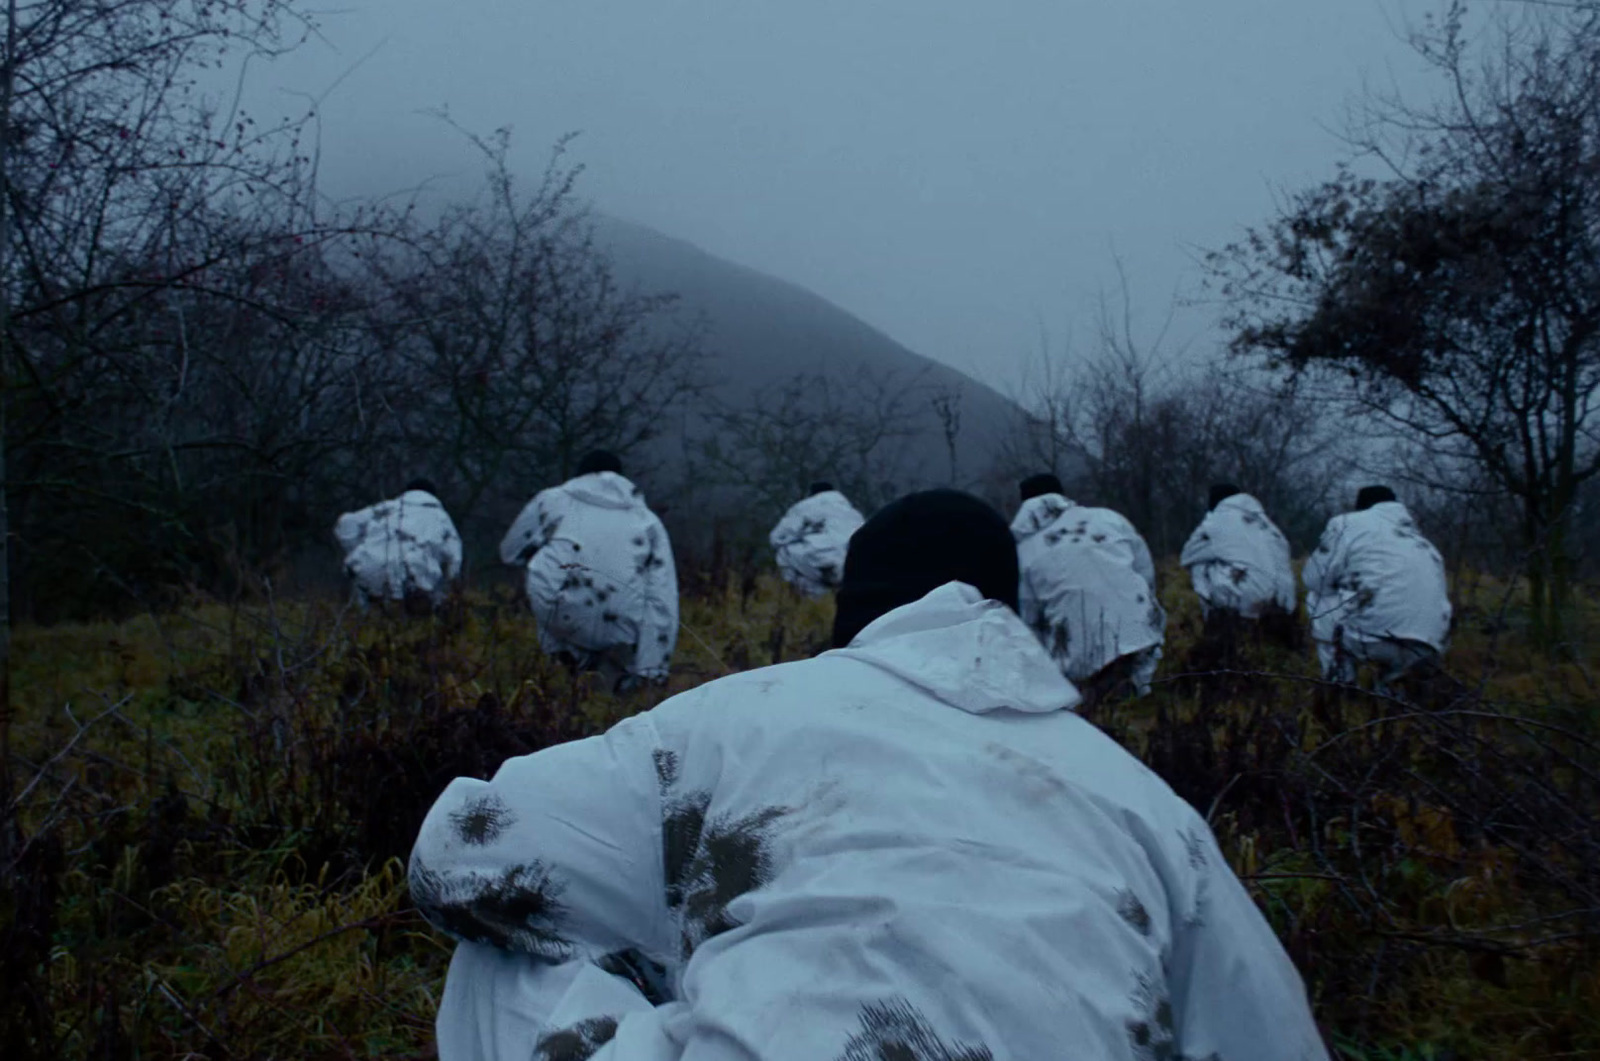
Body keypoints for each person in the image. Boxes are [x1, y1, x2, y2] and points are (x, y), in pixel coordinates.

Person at [410, 489, 1329, 1061]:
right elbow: (1273, 1037)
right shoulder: (1149, 810)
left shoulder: (741, 713)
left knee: (501, 955)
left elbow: (460, 855)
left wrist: (676, 943)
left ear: (849, 618)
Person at [499, 451, 678, 688]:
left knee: (544, 568)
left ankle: (562, 657)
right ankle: (612, 669)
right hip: (622, 622)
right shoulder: (646, 520)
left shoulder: (551, 501)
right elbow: (662, 594)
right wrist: (653, 670)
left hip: (560, 612)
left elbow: (510, 552)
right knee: (640, 593)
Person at [1011, 472, 1165, 702]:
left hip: (1078, 653)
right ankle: (1135, 690)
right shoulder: (1110, 518)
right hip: (1140, 630)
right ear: (1062, 496)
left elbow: (1029, 618)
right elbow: (1145, 571)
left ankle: (1099, 700)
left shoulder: (1023, 551)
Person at [1303, 485, 1452, 688]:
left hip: (1374, 637)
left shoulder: (1347, 524)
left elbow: (1315, 578)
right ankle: (1393, 688)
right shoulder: (1422, 543)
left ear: (1361, 507)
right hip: (1429, 643)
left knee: (1320, 598)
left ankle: (1340, 683)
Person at [334, 478, 462, 610]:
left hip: (369, 571)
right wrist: (451, 586)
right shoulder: (441, 517)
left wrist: (356, 553)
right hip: (415, 578)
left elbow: (346, 522)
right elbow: (455, 557)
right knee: (409, 621)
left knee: (366, 620)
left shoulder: (387, 507)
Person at [767, 481, 865, 597]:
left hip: (821, 556)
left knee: (784, 552)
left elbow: (778, 537)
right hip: (856, 561)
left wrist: (802, 536)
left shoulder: (807, 506)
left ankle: (807, 599)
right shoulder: (854, 513)